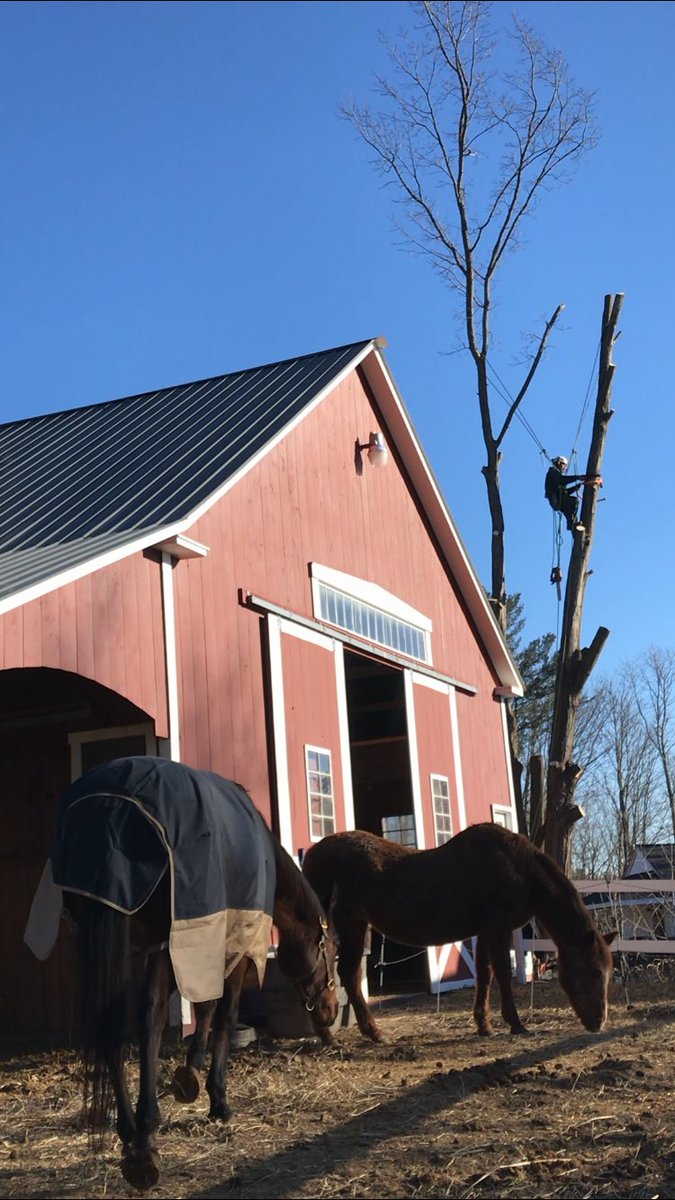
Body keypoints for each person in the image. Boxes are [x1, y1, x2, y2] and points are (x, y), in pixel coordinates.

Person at [544, 455, 602, 533]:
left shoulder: (556, 476)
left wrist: (575, 488)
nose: (564, 468)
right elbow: (562, 480)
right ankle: (572, 524)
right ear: (559, 463)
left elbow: (565, 492)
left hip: (558, 500)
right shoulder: (552, 472)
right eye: (563, 466)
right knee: (574, 502)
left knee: (570, 509)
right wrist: (577, 477)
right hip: (556, 499)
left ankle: (573, 526)